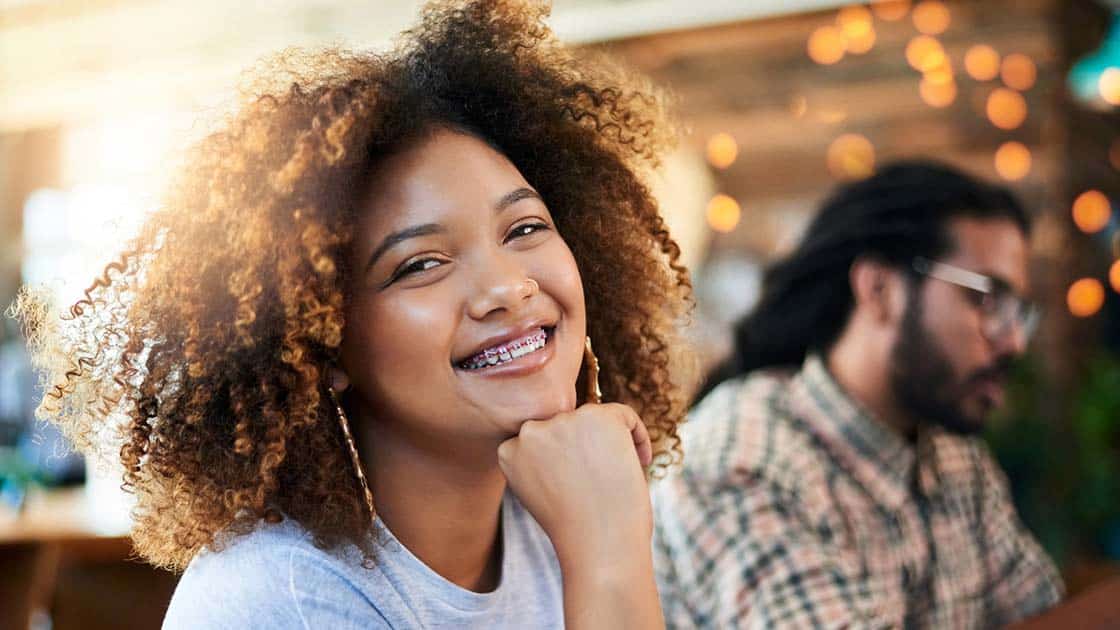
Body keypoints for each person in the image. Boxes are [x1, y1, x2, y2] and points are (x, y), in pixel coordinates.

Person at [14, 1, 690, 627]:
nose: (508, 288)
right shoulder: (277, 601)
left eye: (524, 229)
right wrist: (607, 559)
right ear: (323, 346)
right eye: (419, 264)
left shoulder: (562, 515)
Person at [651, 161, 1071, 628]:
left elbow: (1041, 613)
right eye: (987, 298)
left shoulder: (955, 459)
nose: (1014, 340)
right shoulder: (745, 459)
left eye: (1019, 311)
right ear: (879, 288)